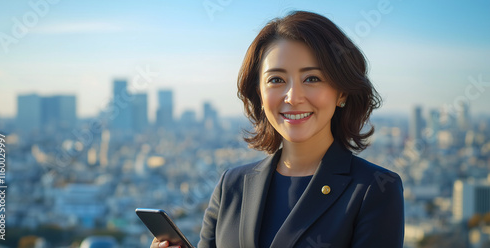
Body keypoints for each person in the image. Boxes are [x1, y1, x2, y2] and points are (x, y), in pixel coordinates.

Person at [152, 10, 404, 248]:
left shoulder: (374, 189)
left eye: (312, 78)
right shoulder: (232, 185)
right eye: (276, 80)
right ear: (259, 94)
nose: (293, 97)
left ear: (342, 93)